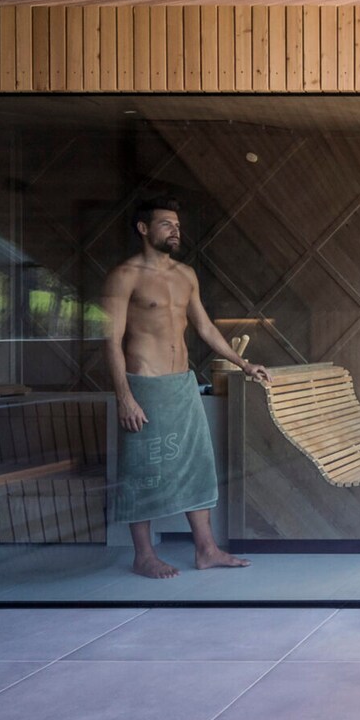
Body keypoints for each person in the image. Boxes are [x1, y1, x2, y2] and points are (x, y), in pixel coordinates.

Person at [102, 196, 270, 578]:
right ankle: (143, 555)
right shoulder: (124, 276)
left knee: (196, 464)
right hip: (145, 383)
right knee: (144, 468)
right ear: (143, 228)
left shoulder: (185, 274)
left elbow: (206, 327)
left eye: (177, 225)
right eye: (166, 224)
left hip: (183, 383)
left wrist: (244, 364)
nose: (175, 231)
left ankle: (206, 549)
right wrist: (124, 397)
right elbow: (111, 341)